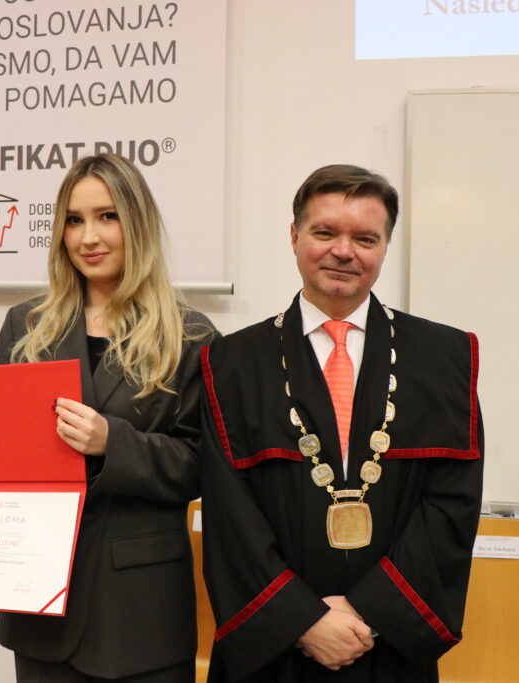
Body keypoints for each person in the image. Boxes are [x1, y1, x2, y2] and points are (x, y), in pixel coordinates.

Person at [198, 165, 483, 682]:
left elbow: (452, 507)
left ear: (386, 245)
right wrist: (302, 620)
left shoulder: (443, 358)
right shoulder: (232, 362)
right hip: (274, 653)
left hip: (387, 645)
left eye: (365, 238)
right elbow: (229, 518)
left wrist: (367, 613)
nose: (344, 251)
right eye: (325, 232)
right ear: (294, 236)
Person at [0, 153, 217, 683]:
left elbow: (204, 467)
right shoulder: (25, 326)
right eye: (74, 221)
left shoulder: (189, 335)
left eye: (108, 217)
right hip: (39, 603)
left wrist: (113, 442)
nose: (88, 237)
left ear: (138, 223)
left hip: (140, 613)